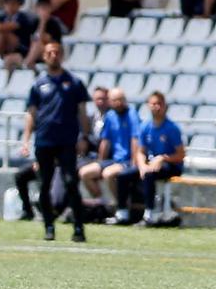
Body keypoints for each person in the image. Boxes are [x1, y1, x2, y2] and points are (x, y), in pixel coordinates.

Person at [19, 39, 89, 243]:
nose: (53, 56)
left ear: (62, 55)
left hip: (67, 141)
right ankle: (49, 226)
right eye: (49, 53)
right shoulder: (38, 84)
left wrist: (84, 136)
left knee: (71, 183)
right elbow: (31, 113)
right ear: (44, 56)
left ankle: (78, 227)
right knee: (44, 185)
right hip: (44, 141)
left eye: (57, 52)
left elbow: (82, 112)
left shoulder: (74, 83)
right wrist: (26, 140)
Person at [83, 90, 140, 225]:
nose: (118, 103)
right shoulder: (110, 116)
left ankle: (122, 210)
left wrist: (134, 161)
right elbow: (105, 141)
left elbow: (135, 140)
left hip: (127, 160)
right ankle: (102, 206)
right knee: (85, 173)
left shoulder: (132, 115)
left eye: (120, 99)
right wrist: (100, 162)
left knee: (108, 174)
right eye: (114, 100)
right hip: (114, 159)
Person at [131, 92, 186, 225]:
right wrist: (142, 165)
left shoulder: (171, 128)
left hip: (172, 165)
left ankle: (149, 214)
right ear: (148, 106)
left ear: (165, 106)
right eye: (153, 104)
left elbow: (181, 155)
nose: (156, 107)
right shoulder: (145, 126)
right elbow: (141, 152)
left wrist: (163, 158)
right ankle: (122, 212)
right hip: (151, 163)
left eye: (159, 104)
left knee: (150, 174)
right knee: (124, 175)